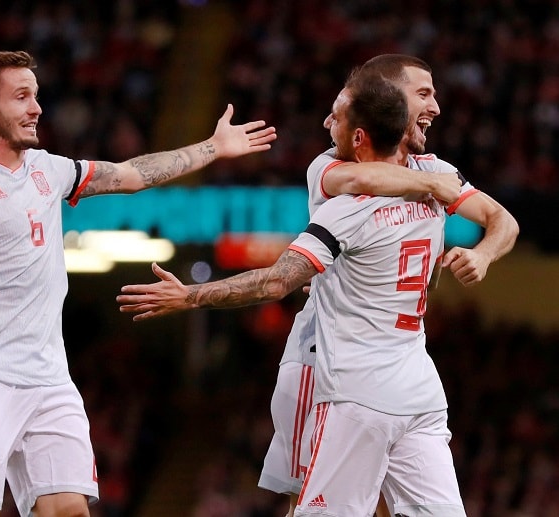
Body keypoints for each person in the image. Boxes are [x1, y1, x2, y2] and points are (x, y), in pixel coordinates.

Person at [0, 50, 276, 517]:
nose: (36, 107)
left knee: (70, 511)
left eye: (36, 95)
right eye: (21, 97)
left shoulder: (50, 170)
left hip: (50, 378)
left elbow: (133, 175)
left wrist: (213, 147)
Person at [117, 72, 468, 516]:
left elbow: (277, 281)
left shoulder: (346, 209)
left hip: (357, 392)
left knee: (312, 506)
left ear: (358, 136)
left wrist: (192, 296)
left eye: (335, 118)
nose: (326, 124)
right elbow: (487, 224)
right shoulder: (440, 181)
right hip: (421, 393)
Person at [262, 53, 519, 517]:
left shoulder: (432, 168)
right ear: (387, 101)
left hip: (396, 368)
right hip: (323, 359)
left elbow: (502, 219)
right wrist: (439, 187)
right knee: (317, 501)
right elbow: (365, 175)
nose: (436, 107)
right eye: (424, 94)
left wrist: (482, 253)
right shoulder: (330, 164)